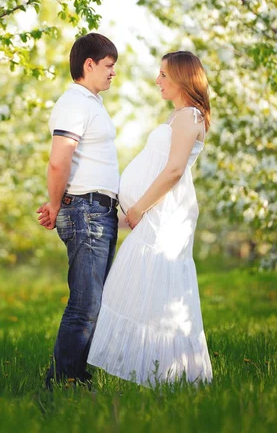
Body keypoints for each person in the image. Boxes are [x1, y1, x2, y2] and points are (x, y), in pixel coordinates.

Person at [87, 50, 213, 387]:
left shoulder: (190, 116)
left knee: (158, 287)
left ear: (183, 79)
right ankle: (151, 372)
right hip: (155, 213)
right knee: (143, 286)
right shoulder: (178, 116)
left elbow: (173, 170)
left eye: (163, 75)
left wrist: (140, 207)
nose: (157, 81)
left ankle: (170, 376)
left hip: (164, 215)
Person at [37, 32, 119, 389]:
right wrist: (56, 205)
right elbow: (59, 162)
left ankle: (76, 376)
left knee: (93, 303)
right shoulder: (74, 103)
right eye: (108, 66)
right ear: (89, 64)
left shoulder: (91, 103)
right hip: (85, 211)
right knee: (84, 304)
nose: (113, 73)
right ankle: (62, 381)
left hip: (97, 211)